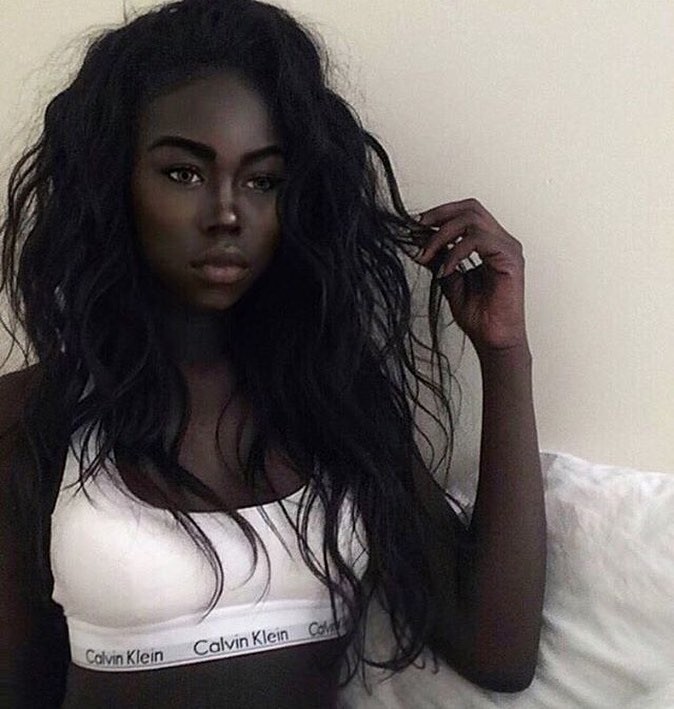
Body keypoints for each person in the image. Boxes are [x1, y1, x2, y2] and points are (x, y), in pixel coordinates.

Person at [0, 0, 546, 706]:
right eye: (184, 173)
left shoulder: (336, 402)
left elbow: (499, 652)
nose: (228, 213)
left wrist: (505, 353)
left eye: (263, 180)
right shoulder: (33, 417)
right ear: (114, 181)